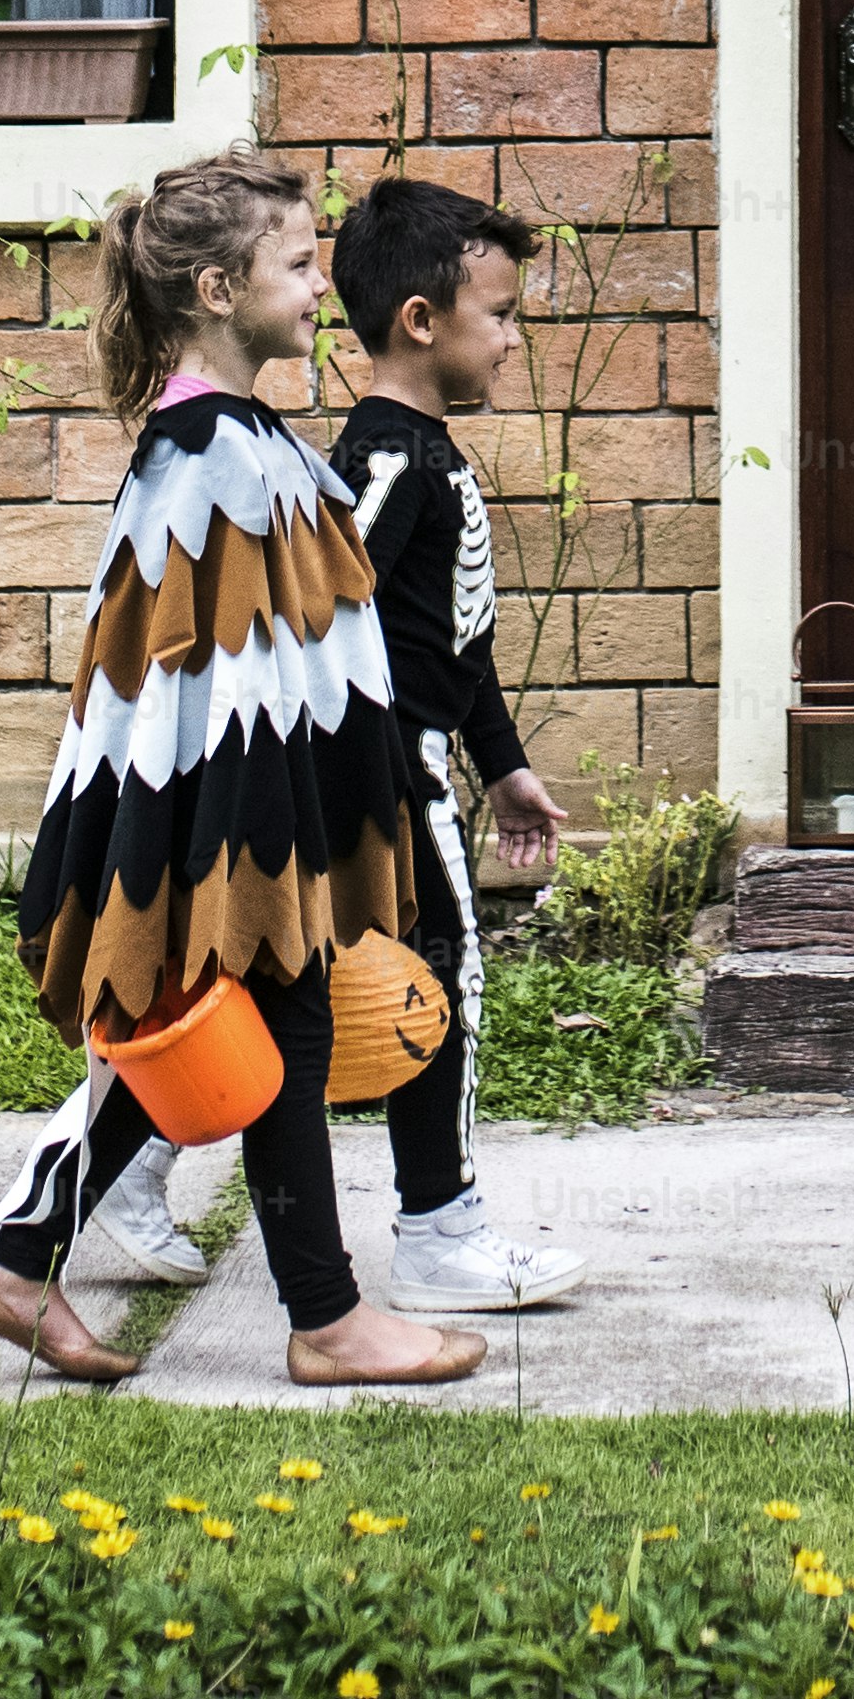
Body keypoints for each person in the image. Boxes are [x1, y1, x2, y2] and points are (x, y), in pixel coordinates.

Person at [0, 144, 481, 1389]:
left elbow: (288, 658)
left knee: (208, 1033)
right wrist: (260, 840)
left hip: (241, 811)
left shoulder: (234, 440)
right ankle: (326, 1320)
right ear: (215, 289)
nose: (319, 286)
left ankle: (21, 1267)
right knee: (262, 1024)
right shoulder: (209, 457)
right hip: (228, 815)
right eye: (295, 265)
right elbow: (209, 686)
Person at [312, 175, 585, 1314]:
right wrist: (380, 773)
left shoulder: (424, 451)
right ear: (422, 321)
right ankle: (439, 1231)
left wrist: (503, 762)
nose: (514, 340)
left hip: (421, 761)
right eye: (501, 314)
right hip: (391, 773)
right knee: (441, 975)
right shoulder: (388, 461)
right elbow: (328, 610)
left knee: (292, 986)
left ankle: (115, 1173)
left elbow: (450, 639)